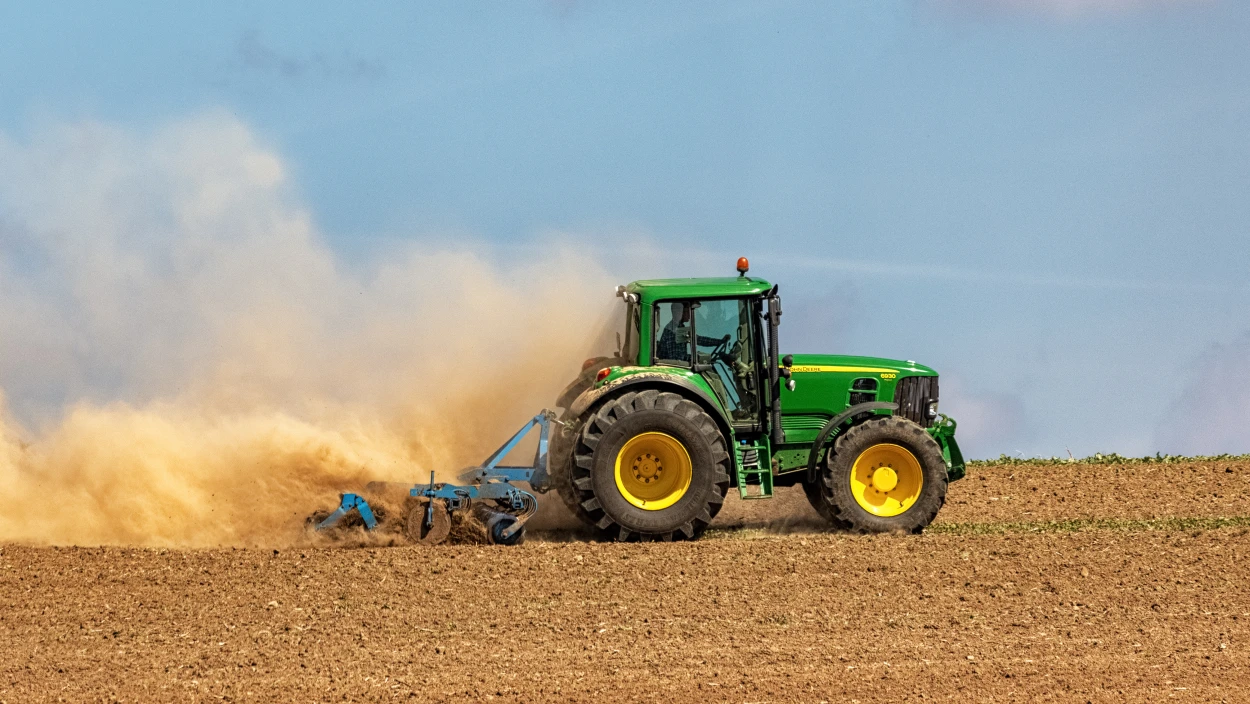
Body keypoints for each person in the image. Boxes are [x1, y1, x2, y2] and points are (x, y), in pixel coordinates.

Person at [656, 301, 729, 363]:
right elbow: (676, 359)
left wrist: (720, 342)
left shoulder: (679, 327)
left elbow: (697, 339)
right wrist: (698, 358)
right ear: (678, 312)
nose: (690, 315)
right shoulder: (671, 330)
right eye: (687, 311)